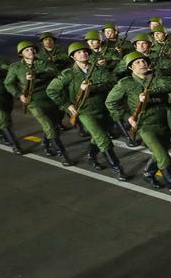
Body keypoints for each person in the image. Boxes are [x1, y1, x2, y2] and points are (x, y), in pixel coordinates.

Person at [106, 52, 171, 204]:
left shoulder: (157, 78)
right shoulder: (126, 83)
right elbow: (111, 103)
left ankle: (149, 173)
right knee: (164, 157)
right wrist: (127, 117)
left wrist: (149, 94)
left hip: (163, 122)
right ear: (130, 67)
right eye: (137, 62)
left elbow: (169, 85)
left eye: (143, 61)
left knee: (159, 153)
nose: (142, 63)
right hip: (144, 126)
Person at [47, 42, 125, 179]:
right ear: (72, 57)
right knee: (103, 138)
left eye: (84, 52)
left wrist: (93, 88)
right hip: (85, 112)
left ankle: (91, 156)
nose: (83, 54)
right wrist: (67, 105)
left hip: (103, 109)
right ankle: (118, 168)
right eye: (78, 53)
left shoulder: (98, 69)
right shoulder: (68, 74)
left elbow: (113, 82)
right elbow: (52, 90)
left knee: (99, 135)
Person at [4, 40, 69, 163]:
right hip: (33, 100)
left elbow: (55, 73)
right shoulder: (16, 67)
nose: (31, 51)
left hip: (49, 97)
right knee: (49, 126)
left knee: (53, 124)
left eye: (32, 49)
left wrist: (39, 76)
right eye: (27, 50)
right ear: (21, 53)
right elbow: (8, 84)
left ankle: (45, 144)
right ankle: (64, 155)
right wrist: (20, 95)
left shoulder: (43, 63)